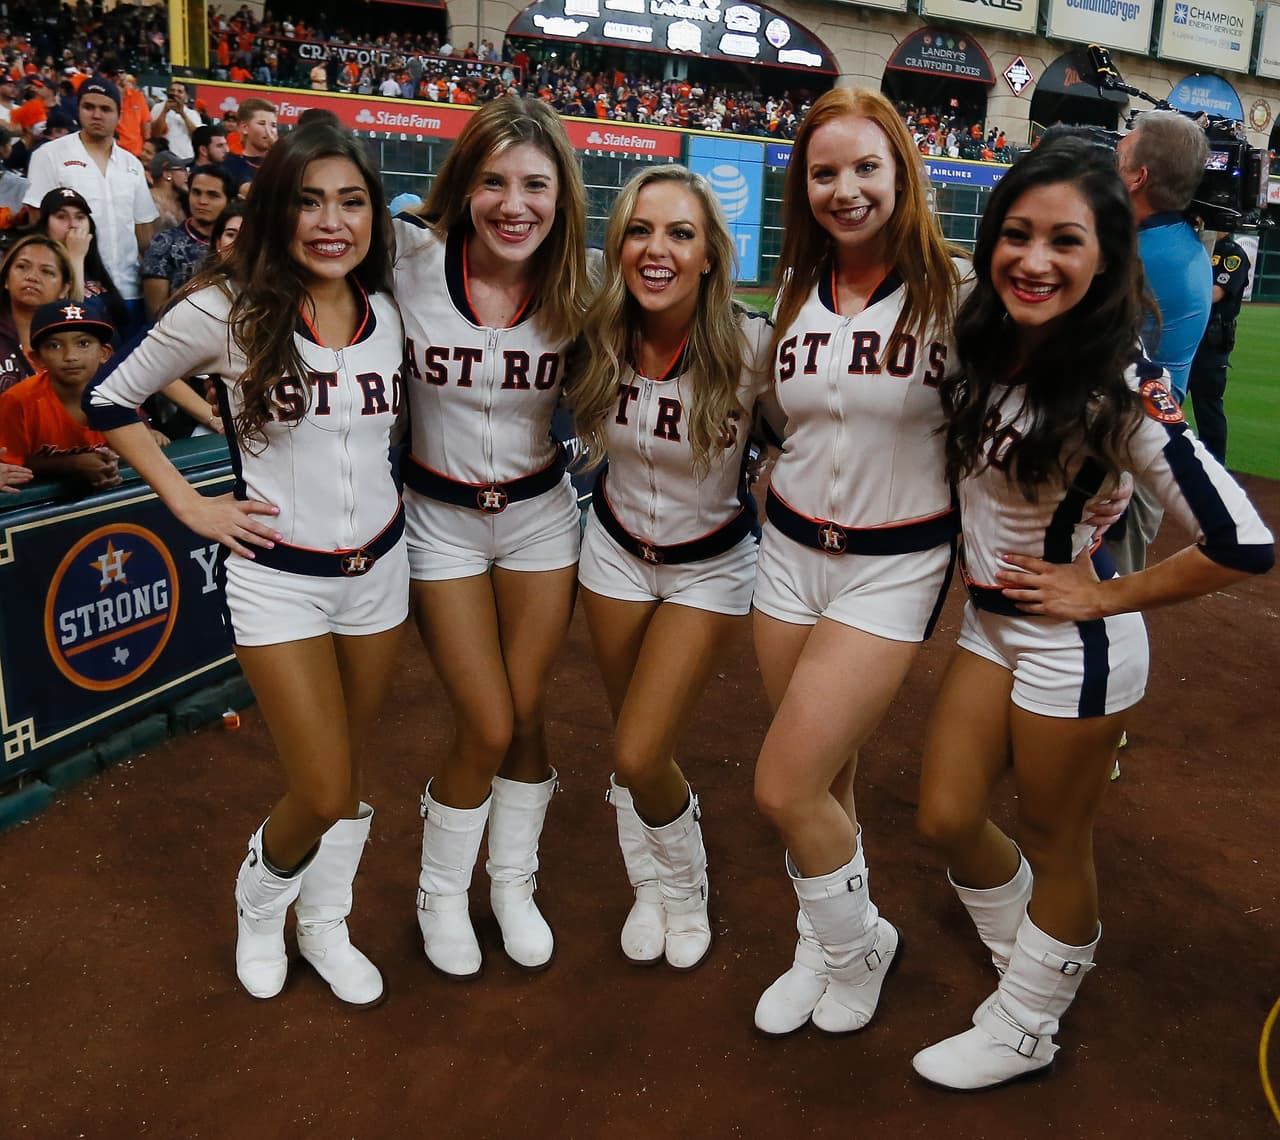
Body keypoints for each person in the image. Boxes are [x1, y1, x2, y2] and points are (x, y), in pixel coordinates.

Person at [911, 138, 1274, 1091]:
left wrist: (1105, 590)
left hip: (1077, 646)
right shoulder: (984, 337)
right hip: (990, 624)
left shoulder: (1120, 382)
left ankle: (1030, 1019)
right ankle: (1038, 946)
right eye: (1017, 235)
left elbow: (1244, 539)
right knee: (947, 815)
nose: (1035, 259)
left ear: (1105, 257)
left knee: (1055, 835)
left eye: (1065, 241)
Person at [84, 122, 408, 1008]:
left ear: (373, 213)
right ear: (274, 210)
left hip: (381, 575)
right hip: (279, 581)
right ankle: (261, 907)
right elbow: (110, 396)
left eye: (350, 201)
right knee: (325, 781)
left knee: (351, 764)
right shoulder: (223, 308)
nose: (331, 222)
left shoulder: (394, 307)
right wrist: (188, 504)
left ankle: (328, 921)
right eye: (307, 201)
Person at [749, 87, 966, 1038]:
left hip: (896, 565)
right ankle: (823, 941)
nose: (846, 189)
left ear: (901, 175)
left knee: (783, 786)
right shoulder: (793, 290)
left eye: (865, 168)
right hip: (788, 557)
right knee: (825, 777)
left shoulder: (954, 290)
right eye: (825, 172)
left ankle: (859, 943)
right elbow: (768, 417)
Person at [393, 97, 589, 977]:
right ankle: (440, 892)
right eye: (495, 182)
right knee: (487, 717)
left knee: (529, 710)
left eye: (536, 185)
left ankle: (512, 883)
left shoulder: (584, 282)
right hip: (438, 521)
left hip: (541, 519)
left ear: (561, 195)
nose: (516, 204)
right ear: (463, 187)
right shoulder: (407, 255)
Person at [565, 165, 773, 970]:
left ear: (712, 255)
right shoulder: (596, 332)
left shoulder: (752, 345)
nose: (658, 250)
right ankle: (649, 888)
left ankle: (685, 886)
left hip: (711, 567)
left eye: (680, 233)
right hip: (613, 553)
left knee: (638, 754)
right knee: (631, 741)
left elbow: (810, 435)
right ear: (618, 247)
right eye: (640, 232)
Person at [1105, 110, 1212, 575]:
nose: (1112, 157)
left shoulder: (1142, 256)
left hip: (1123, 444)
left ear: (1138, 177)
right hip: (1133, 432)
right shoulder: (1175, 241)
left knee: (1104, 597)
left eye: (1121, 154)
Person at [21, 77, 156, 334]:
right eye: (89, 107)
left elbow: (144, 233)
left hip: (129, 291)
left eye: (105, 109)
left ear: (119, 115)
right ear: (78, 108)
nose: (96, 115)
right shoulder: (49, 155)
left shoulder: (132, 164)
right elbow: (36, 225)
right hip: (73, 287)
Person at [0, 300, 142, 492]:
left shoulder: (118, 392)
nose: (70, 356)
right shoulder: (17, 400)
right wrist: (73, 464)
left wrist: (108, 465)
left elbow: (133, 448)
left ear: (104, 352)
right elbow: (11, 467)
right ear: (37, 359)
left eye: (83, 343)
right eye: (54, 346)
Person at [1187, 231, 1250, 464]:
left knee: (1208, 407)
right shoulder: (1192, 246)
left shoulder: (1232, 254)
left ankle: (1215, 467)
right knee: (1164, 400)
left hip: (1212, 341)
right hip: (1186, 335)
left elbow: (1214, 293)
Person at [141, 164, 234, 318]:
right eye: (196, 193)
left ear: (229, 201)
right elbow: (156, 313)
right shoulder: (165, 243)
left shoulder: (240, 244)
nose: (202, 201)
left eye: (213, 195)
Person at [36, 186, 130, 333]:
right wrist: (75, 258)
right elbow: (72, 317)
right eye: (61, 217)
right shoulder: (38, 271)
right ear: (45, 226)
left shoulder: (94, 268)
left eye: (80, 217)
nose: (73, 224)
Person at [0, 233, 75, 394]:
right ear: (6, 279)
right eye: (22, 266)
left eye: (47, 272)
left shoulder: (81, 336)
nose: (32, 277)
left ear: (64, 289)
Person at [223, 98, 278, 197]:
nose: (269, 131)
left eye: (273, 125)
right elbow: (254, 194)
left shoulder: (278, 161)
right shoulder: (231, 162)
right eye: (262, 124)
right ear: (245, 128)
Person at [149, 81, 202, 164]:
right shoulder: (158, 107)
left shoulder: (192, 114)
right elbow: (155, 134)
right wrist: (164, 111)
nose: (175, 94)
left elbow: (197, 136)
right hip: (162, 157)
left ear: (186, 96)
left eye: (179, 91)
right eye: (172, 90)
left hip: (184, 157)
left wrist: (182, 114)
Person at [149, 151, 190, 233]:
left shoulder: (184, 202)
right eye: (183, 170)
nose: (188, 175)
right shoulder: (147, 201)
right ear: (168, 175)